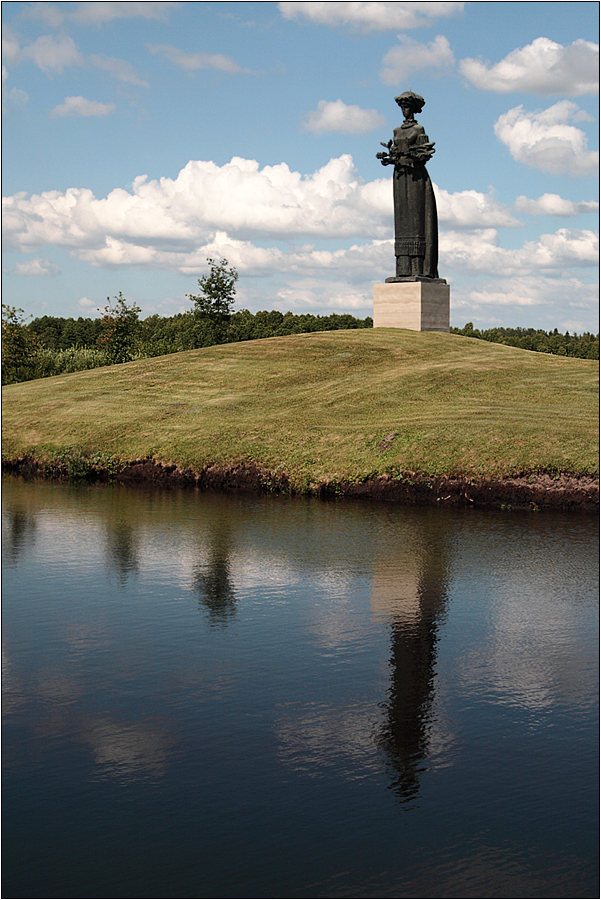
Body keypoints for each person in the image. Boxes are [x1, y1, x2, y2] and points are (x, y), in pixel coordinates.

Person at [377, 92, 440, 279]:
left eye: (408, 108)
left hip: (415, 177)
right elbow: (393, 153)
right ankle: (402, 269)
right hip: (400, 177)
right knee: (402, 220)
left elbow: (425, 155)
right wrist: (389, 158)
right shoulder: (396, 131)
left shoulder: (419, 130)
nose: (405, 111)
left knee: (417, 220)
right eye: (402, 108)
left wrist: (413, 154)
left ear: (414, 109)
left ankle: (419, 269)